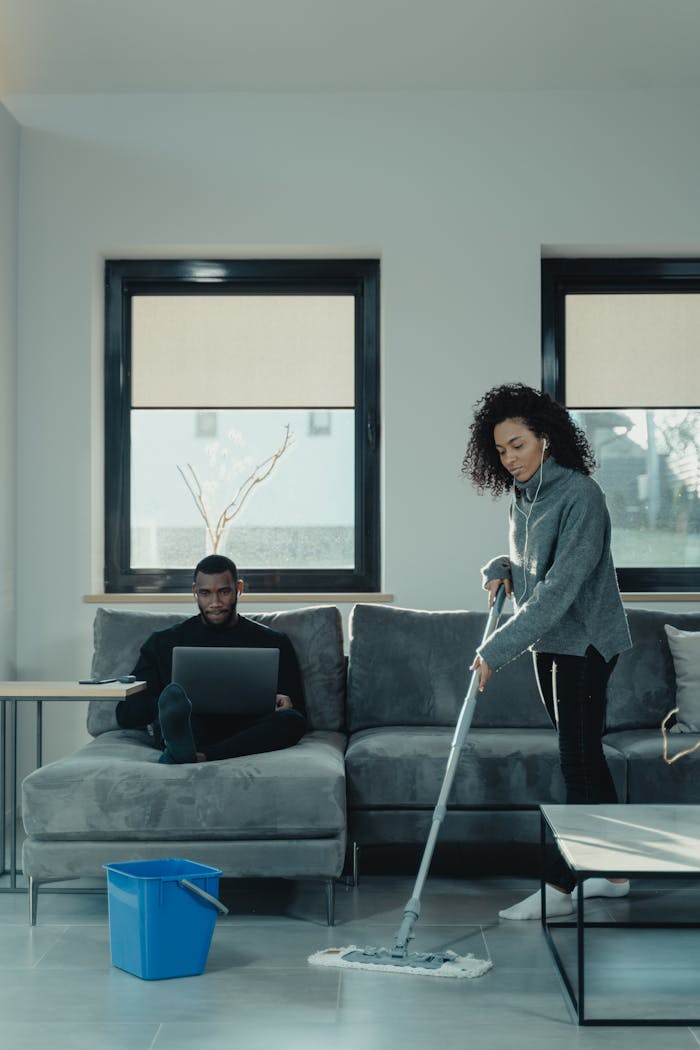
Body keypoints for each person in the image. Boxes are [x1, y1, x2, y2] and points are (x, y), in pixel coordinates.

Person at [462, 383, 632, 920]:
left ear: (545, 438)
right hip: (547, 642)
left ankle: (561, 887)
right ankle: (614, 872)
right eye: (501, 449)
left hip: (585, 641)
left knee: (576, 762)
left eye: (517, 444)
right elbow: (534, 566)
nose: (509, 458)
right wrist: (501, 567)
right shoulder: (526, 494)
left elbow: (560, 589)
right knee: (585, 757)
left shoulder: (582, 496)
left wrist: (496, 648)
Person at [115, 554, 307, 764]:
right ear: (195, 591)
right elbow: (125, 713)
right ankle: (185, 743)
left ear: (239, 588)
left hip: (247, 729)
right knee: (175, 720)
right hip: (193, 725)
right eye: (205, 593)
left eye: (224, 592)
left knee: (292, 721)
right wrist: (171, 702)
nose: (215, 603)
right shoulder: (163, 643)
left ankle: (201, 756)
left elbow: (300, 711)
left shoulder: (273, 641)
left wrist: (286, 702)